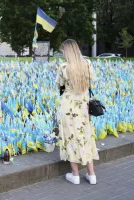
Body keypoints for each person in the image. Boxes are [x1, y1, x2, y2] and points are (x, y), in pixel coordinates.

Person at [56, 39, 99, 185]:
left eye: (63, 51)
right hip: (83, 106)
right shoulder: (87, 64)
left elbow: (59, 86)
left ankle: (75, 175)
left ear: (67, 51)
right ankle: (91, 174)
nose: (62, 54)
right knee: (85, 136)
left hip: (68, 107)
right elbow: (92, 80)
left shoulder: (63, 67)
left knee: (70, 138)